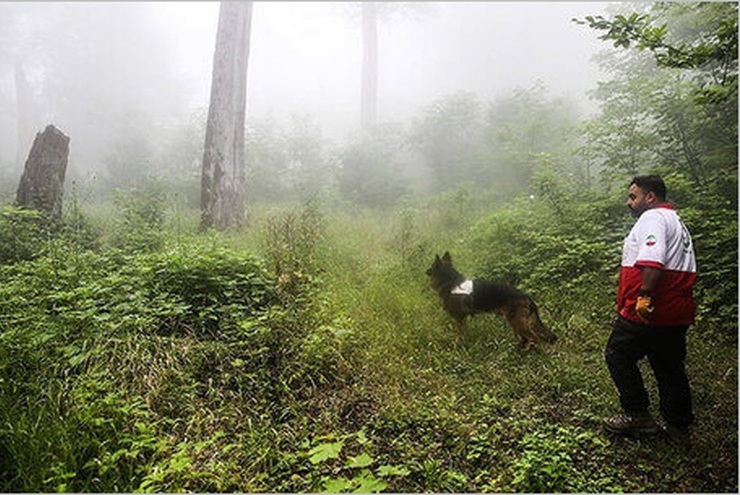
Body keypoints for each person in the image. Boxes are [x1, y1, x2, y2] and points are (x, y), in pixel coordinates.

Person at [603, 175, 697, 448]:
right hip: (675, 310)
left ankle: (637, 414)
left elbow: (653, 260)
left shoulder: (653, 218)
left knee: (618, 354)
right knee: (669, 366)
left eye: (633, 197)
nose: (629, 202)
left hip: (649, 310)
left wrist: (643, 296)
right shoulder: (675, 220)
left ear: (651, 197)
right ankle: (678, 428)